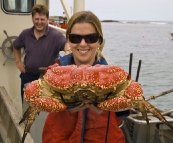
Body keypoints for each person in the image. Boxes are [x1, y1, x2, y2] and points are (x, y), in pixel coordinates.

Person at [42, 11, 130, 143]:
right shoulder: (53, 74)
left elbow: (124, 110)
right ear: (68, 41)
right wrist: (62, 105)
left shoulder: (115, 78)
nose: (83, 44)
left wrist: (120, 105)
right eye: (76, 38)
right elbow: (37, 100)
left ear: (99, 41)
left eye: (91, 38)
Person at [13, 4, 70, 102]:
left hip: (48, 79)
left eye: (42, 19)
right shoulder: (25, 34)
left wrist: (68, 51)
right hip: (28, 77)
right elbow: (16, 46)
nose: (39, 22)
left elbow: (66, 45)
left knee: (47, 109)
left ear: (47, 19)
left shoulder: (56, 35)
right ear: (32, 19)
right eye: (37, 19)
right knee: (27, 106)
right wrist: (18, 61)